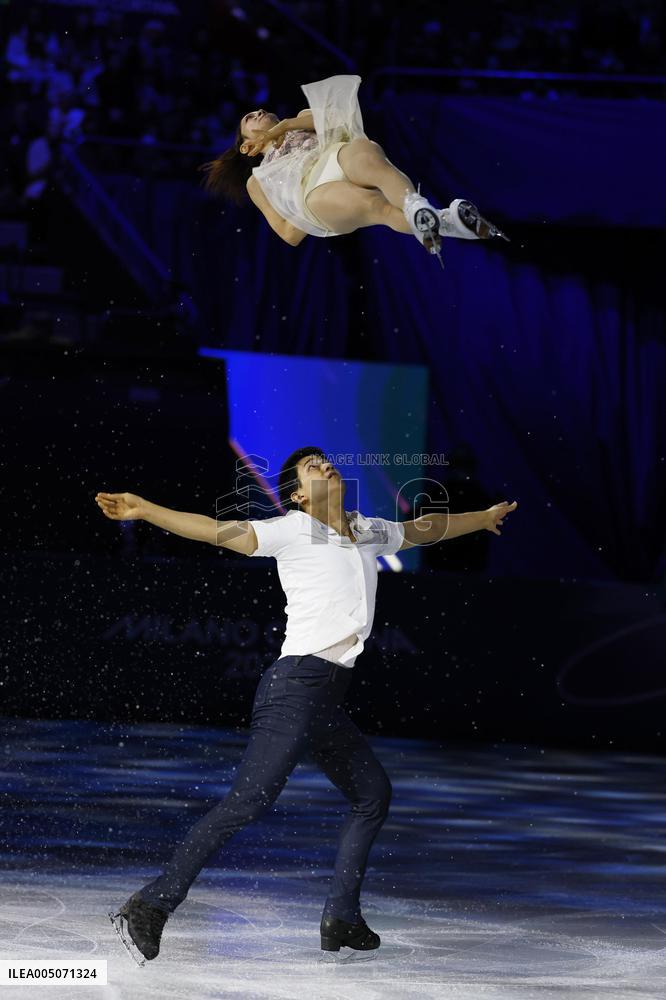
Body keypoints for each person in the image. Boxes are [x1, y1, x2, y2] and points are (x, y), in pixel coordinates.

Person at [96, 447, 517, 965]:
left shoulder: (364, 529)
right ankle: (152, 903)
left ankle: (341, 916)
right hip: (296, 687)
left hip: (326, 698)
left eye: (325, 459)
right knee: (248, 802)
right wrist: (146, 509)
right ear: (298, 494)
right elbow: (213, 529)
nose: (324, 465)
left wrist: (485, 517)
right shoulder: (293, 529)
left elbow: (425, 529)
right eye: (311, 466)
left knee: (372, 795)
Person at [200, 75, 508, 261]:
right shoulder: (259, 180)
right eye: (249, 118)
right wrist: (303, 209)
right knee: (375, 206)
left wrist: (285, 127)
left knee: (366, 150)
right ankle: (438, 219)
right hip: (314, 192)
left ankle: (428, 213)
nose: (258, 111)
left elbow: (337, 117)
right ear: (245, 145)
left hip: (336, 156)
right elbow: (287, 233)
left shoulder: (302, 120)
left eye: (258, 110)